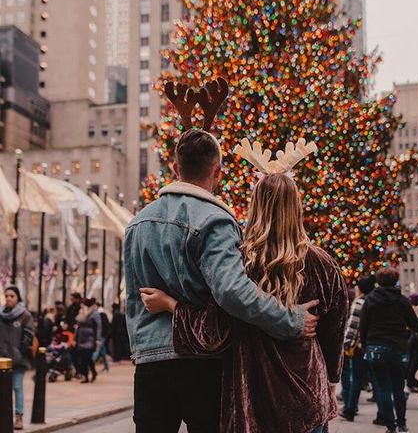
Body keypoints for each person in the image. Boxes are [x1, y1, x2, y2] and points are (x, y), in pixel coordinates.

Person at [125, 85, 320, 433]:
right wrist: (289, 320)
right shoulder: (214, 220)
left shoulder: (137, 223)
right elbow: (232, 292)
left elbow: (132, 301)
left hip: (150, 363)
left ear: (174, 166)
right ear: (218, 170)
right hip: (202, 363)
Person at [141, 172, 349, 433]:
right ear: (297, 206)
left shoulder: (239, 263)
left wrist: (171, 305)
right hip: (308, 394)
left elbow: (213, 331)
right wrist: (330, 383)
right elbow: (335, 331)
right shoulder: (322, 263)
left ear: (256, 205)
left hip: (253, 399)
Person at [359, 267, 418, 433]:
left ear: (378, 281)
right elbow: (415, 324)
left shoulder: (370, 299)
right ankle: (402, 423)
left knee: (383, 388)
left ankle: (390, 426)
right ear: (395, 280)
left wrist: (364, 345)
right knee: (398, 388)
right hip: (398, 348)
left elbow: (363, 325)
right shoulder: (402, 300)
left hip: (375, 348)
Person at [339, 275, 375, 422]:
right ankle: (383, 415)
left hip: (359, 347)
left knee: (355, 378)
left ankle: (350, 408)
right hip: (373, 344)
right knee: (375, 380)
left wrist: (345, 344)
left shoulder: (359, 302)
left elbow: (353, 326)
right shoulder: (374, 301)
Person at [0, 285, 34, 430]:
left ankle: (18, 416)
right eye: (6, 295)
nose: (8, 298)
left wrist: (20, 351)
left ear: (17, 297)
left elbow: (29, 335)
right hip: (2, 358)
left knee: (17, 386)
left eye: (12, 296)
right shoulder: (1, 315)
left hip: (18, 359)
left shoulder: (25, 315)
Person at [75, 297, 101, 383]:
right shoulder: (81, 313)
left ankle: (92, 372)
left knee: (87, 357)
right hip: (81, 338)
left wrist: (97, 339)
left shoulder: (94, 313)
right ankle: (86, 375)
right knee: (82, 358)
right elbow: (78, 323)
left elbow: (98, 327)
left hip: (90, 338)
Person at [92, 303, 110, 372]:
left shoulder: (101, 314)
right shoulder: (102, 313)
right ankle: (106, 367)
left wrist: (100, 336)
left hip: (101, 335)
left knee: (97, 350)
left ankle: (90, 364)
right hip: (102, 335)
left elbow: (103, 326)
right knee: (103, 351)